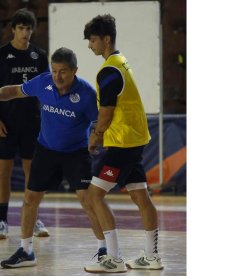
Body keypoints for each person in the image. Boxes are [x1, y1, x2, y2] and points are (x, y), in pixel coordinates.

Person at [0, 47, 106, 269]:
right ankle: (26, 251)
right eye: (54, 71)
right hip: (46, 150)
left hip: (76, 153)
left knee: (88, 200)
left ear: (75, 70)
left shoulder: (86, 94)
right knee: (30, 199)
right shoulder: (44, 82)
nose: (57, 76)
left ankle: (104, 251)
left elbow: (100, 122)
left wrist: (95, 138)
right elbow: (15, 91)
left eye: (63, 72)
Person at [82, 14, 164, 273]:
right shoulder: (122, 62)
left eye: (92, 40)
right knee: (141, 196)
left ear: (106, 39)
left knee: (94, 196)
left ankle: (113, 258)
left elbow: (105, 114)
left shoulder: (108, 71)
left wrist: (95, 136)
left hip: (122, 145)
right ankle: (152, 256)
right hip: (135, 141)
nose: (90, 45)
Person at [0, 8, 49, 239]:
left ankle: (34, 218)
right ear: (13, 29)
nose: (25, 32)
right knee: (3, 171)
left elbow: (45, 91)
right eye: (21, 28)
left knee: (32, 173)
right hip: (6, 122)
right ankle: (2, 221)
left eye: (29, 28)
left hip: (32, 122)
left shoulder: (40, 56)